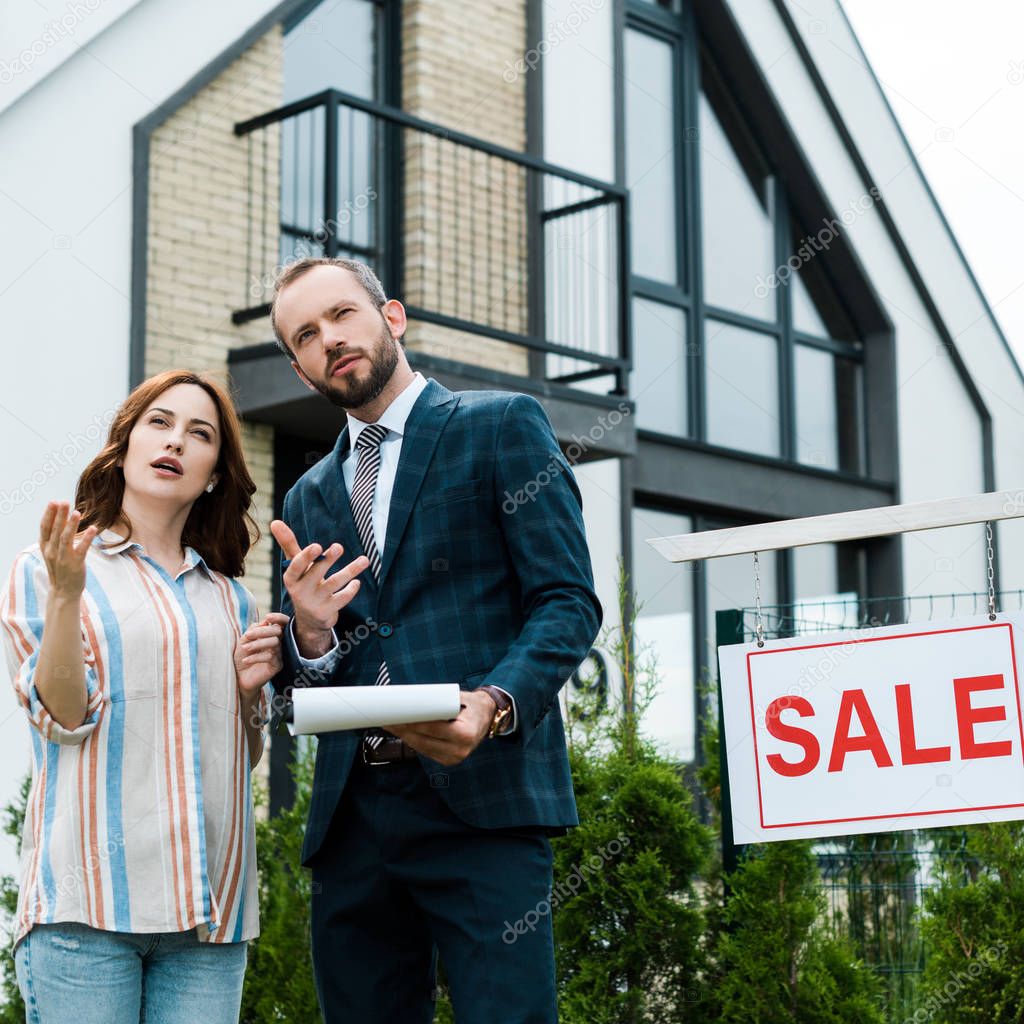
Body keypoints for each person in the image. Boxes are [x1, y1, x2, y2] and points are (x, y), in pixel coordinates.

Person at [267, 256, 603, 1023]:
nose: (330, 340)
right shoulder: (308, 495)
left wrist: (493, 704)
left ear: (391, 316)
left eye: (342, 316)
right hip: (354, 821)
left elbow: (567, 600)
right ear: (299, 366)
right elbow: (311, 675)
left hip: (482, 795)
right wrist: (310, 634)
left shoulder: (500, 426)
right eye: (307, 335)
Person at [0, 369, 290, 1023]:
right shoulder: (46, 568)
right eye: (159, 423)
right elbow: (64, 718)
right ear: (125, 444)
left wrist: (249, 699)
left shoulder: (229, 599)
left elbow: (239, 759)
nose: (176, 442)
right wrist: (68, 595)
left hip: (209, 925)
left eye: (199, 433)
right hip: (87, 916)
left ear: (215, 472)